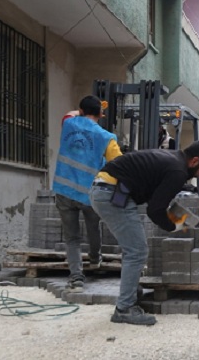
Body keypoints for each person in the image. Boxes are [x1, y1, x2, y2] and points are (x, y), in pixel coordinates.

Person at [89, 140, 199, 326]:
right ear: (195, 161)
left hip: (107, 188)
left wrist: (189, 191)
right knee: (137, 251)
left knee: (131, 248)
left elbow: (158, 186)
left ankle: (130, 291)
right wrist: (174, 226)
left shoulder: (173, 159)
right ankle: (124, 309)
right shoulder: (178, 170)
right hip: (112, 193)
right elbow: (155, 210)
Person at [52, 95, 121, 293]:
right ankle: (94, 258)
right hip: (89, 193)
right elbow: (119, 164)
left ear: (81, 111)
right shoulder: (106, 137)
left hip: (64, 190)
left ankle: (76, 279)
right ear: (101, 114)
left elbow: (70, 113)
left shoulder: (68, 123)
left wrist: (81, 110)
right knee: (93, 227)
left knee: (72, 237)